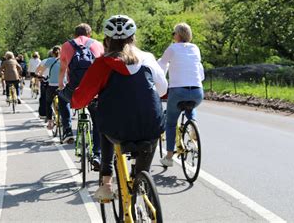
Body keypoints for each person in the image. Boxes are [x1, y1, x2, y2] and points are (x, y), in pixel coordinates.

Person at [71, 15, 168, 201]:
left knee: (104, 121)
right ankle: (142, 179)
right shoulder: (147, 58)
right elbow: (163, 90)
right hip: (151, 126)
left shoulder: (101, 64)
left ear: (106, 40)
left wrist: (74, 98)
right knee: (150, 136)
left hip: (118, 130)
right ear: (133, 37)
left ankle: (106, 183)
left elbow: (79, 100)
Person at [157, 22, 205, 167]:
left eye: (174, 33)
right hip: (197, 91)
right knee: (191, 105)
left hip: (178, 91)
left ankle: (169, 157)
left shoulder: (172, 48)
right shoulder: (195, 48)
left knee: (171, 123)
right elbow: (200, 73)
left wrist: (160, 84)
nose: (173, 36)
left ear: (178, 35)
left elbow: (161, 67)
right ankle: (193, 124)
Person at [58, 23, 104, 168]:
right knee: (97, 122)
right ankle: (97, 154)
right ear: (89, 34)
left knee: (61, 97)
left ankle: (67, 130)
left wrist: (61, 85)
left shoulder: (66, 46)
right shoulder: (98, 44)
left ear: (74, 34)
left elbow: (63, 69)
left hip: (75, 91)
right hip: (94, 91)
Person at [37, 46, 73, 141]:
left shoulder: (49, 60)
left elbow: (39, 71)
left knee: (48, 102)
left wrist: (41, 77)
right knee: (65, 104)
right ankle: (67, 129)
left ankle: (50, 122)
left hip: (52, 86)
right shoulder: (66, 59)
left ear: (52, 53)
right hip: (63, 86)